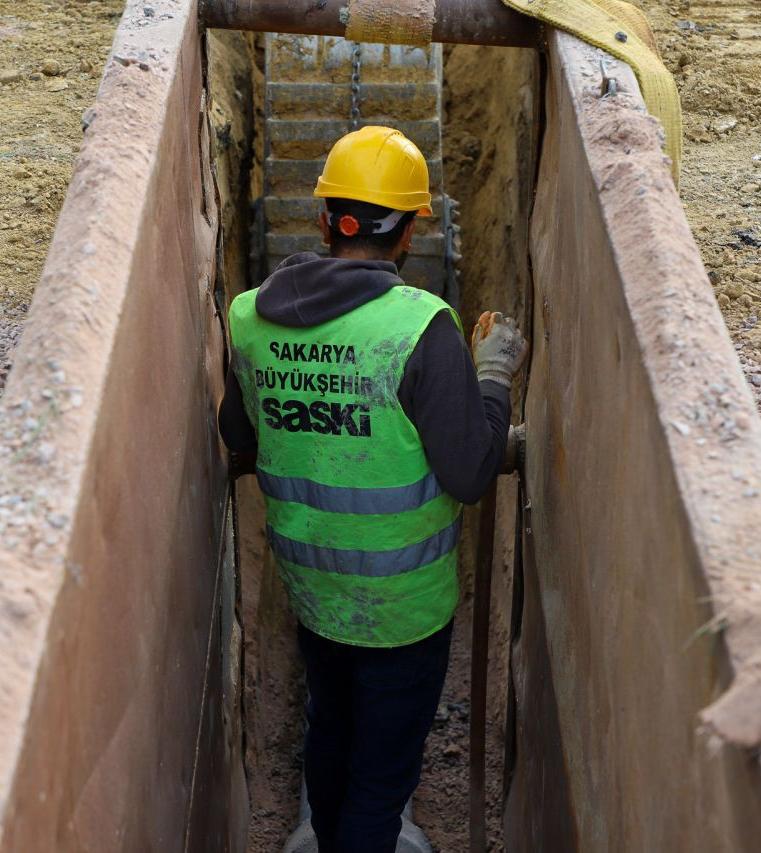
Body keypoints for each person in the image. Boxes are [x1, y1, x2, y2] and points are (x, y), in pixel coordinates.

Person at [218, 125, 527, 853]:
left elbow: (243, 433)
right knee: (381, 780)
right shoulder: (421, 328)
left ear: (325, 221)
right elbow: (471, 472)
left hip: (312, 588)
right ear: (412, 232)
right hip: (403, 608)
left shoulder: (249, 316)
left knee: (330, 728)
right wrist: (492, 375)